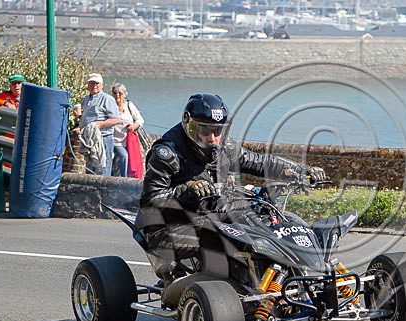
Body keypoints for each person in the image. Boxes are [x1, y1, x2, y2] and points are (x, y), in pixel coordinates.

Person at [136, 93, 327, 281]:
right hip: (169, 225)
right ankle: (185, 281)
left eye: (217, 131)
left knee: (263, 225)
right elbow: (150, 200)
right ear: (190, 125)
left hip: (213, 215)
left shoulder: (226, 148)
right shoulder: (168, 153)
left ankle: (268, 278)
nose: (212, 138)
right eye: (205, 130)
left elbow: (261, 162)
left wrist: (301, 170)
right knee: (219, 237)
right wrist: (187, 190)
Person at [72, 73, 120, 176]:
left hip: (103, 139)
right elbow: (88, 119)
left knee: (102, 169)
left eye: (96, 83)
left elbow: (116, 120)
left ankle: (103, 191)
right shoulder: (86, 100)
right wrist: (79, 116)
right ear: (88, 85)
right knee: (90, 170)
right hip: (89, 141)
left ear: (102, 84)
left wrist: (99, 125)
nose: (94, 85)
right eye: (91, 83)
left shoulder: (107, 99)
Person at [110, 83, 145, 178]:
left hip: (128, 141)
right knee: (123, 156)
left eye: (120, 93)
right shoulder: (110, 106)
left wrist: (133, 126)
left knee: (126, 159)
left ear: (125, 94)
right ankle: (123, 178)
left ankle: (119, 178)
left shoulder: (129, 105)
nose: (117, 95)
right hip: (114, 141)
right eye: (115, 93)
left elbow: (140, 120)